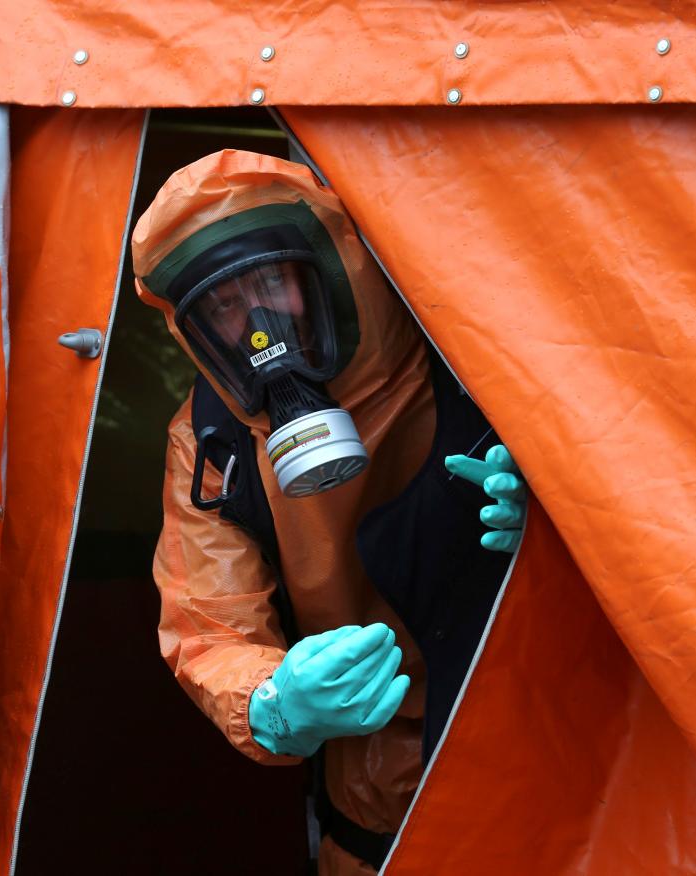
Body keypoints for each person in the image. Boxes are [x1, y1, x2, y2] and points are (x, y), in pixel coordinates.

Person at [132, 150, 524, 875]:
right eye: (224, 305)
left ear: (331, 266)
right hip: (375, 802)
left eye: (272, 282)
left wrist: (552, 526)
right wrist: (274, 701)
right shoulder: (214, 440)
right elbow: (208, 626)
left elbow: (636, 479)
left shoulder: (467, 344)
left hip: (544, 765)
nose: (258, 327)